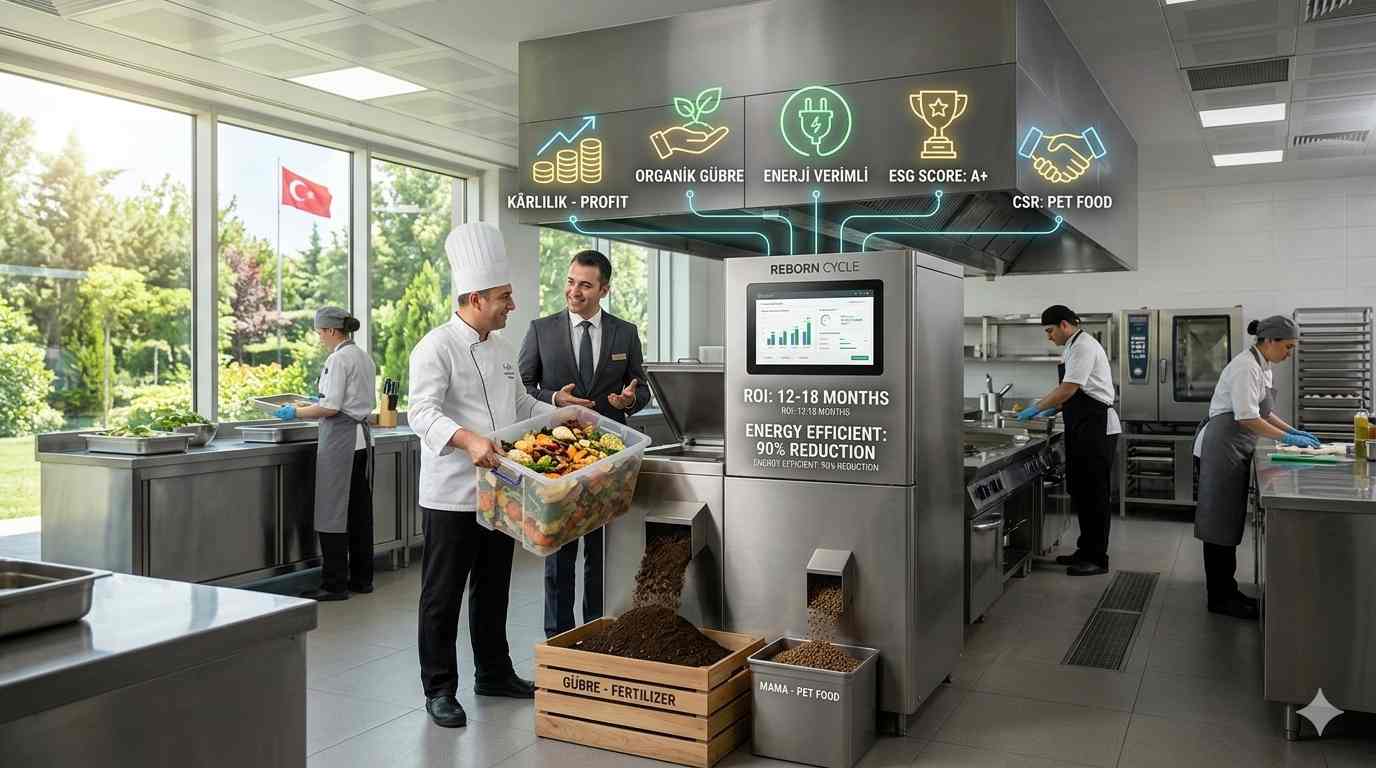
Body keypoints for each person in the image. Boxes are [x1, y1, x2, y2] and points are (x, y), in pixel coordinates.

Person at [408, 222, 553, 729]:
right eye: (504, 297)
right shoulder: (435, 347)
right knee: (442, 595)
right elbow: (421, 412)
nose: (512, 305)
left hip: (500, 492)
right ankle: (439, 689)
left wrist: (563, 411)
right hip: (452, 495)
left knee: (493, 590)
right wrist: (468, 440)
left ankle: (493, 673)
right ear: (475, 298)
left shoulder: (501, 349)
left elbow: (520, 405)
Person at [519, 249, 650, 638]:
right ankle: (558, 637)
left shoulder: (625, 333)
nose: (574, 291)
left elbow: (640, 387)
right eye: (571, 282)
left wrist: (630, 401)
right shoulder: (540, 330)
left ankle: (597, 632)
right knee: (558, 551)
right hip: (559, 456)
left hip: (609, 458)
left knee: (601, 552)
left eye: (585, 285)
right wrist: (555, 398)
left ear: (604, 290)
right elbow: (522, 388)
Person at [1193, 315, 1314, 620]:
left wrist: (1294, 431)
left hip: (1233, 448)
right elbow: (1247, 417)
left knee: (1229, 521)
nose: (1290, 353)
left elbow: (1265, 413)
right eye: (1288, 347)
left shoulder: (1263, 366)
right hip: (1220, 447)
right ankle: (1219, 598)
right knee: (1218, 523)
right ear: (1269, 341)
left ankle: (1228, 589)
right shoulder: (1245, 367)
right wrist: (1287, 438)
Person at [274, 307, 376, 602]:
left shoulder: (338, 359)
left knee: (331, 511)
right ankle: (362, 579)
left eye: (320, 332)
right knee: (358, 513)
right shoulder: (363, 356)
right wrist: (313, 402)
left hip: (341, 441)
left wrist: (295, 412)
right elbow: (344, 399)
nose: (319, 337)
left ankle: (334, 584)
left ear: (331, 330)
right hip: (361, 441)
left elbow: (330, 408)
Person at [1016, 305, 1120, 576]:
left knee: (1095, 495)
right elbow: (1076, 392)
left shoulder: (1084, 345)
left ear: (1064, 325)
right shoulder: (1073, 346)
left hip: (1097, 427)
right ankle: (1085, 550)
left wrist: (1036, 408)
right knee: (1084, 493)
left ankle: (1097, 558)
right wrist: (1054, 409)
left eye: (1050, 330)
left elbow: (1069, 388)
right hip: (1083, 427)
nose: (1048, 336)